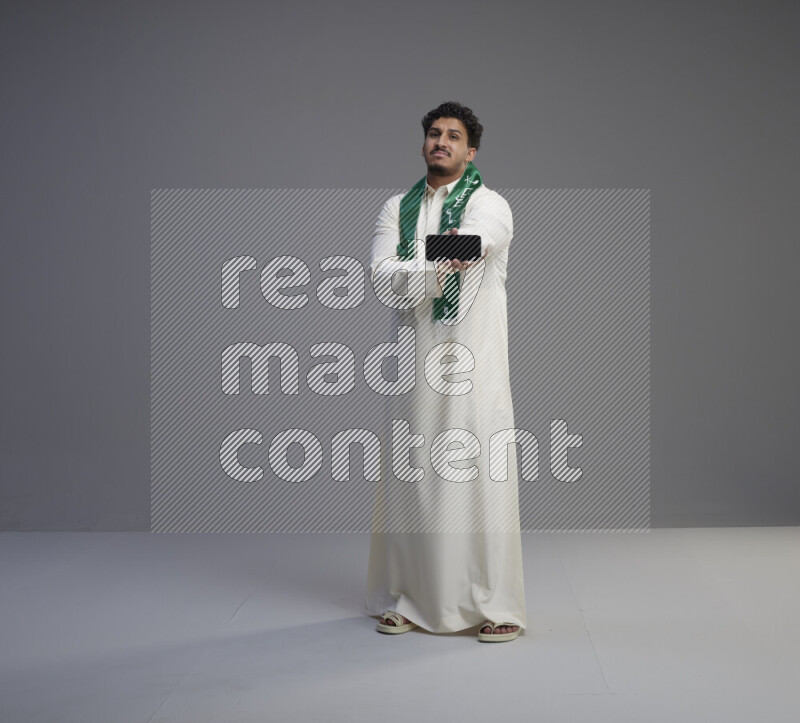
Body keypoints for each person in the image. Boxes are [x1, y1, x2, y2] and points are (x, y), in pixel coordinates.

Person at [364, 101, 526, 642]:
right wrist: (435, 262)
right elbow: (380, 278)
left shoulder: (491, 204)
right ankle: (413, 600)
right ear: (424, 143)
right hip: (416, 368)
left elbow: (474, 244)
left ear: (470, 150)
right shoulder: (395, 208)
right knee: (416, 483)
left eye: (453, 136)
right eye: (434, 134)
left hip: (474, 366)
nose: (441, 142)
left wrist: (414, 265)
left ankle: (497, 605)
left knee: (482, 477)